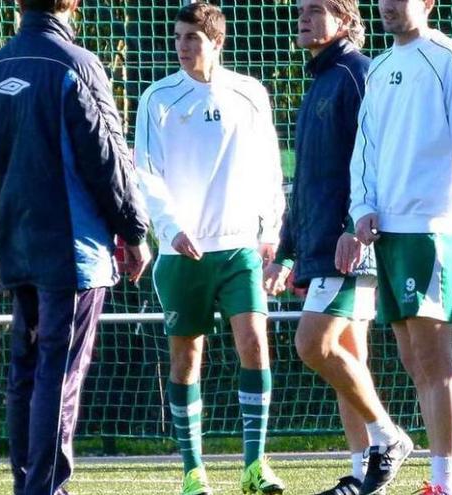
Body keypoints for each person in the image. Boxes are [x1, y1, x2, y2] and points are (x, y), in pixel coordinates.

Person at [0, 0, 152, 494]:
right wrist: (133, 231)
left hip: (17, 246)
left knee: (26, 368)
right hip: (71, 249)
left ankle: (29, 483)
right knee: (58, 369)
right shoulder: (76, 64)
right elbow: (107, 158)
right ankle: (45, 488)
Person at [133, 3, 286, 495]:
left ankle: (254, 466)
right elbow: (146, 172)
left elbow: (269, 166)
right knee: (186, 359)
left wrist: (271, 228)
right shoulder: (157, 97)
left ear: (217, 41)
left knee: (255, 344)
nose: (182, 46)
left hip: (240, 246)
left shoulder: (250, 93)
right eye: (178, 37)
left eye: (193, 38)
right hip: (183, 254)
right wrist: (170, 226)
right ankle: (193, 472)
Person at [348, 0, 452, 493]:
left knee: (433, 355)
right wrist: (361, 204)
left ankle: (448, 482)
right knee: (412, 356)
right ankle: (438, 477)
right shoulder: (381, 65)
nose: (389, 4)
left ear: (428, 3)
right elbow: (365, 144)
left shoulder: (451, 59)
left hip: (431, 226)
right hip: (386, 229)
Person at [263, 1, 407, 494]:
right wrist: (286, 252)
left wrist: (353, 227)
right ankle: (364, 473)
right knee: (349, 360)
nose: (303, 17)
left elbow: (373, 164)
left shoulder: (356, 74)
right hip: (321, 243)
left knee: (314, 344)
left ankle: (389, 439)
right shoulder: (320, 82)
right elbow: (306, 183)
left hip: (349, 244)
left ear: (346, 22)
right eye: (301, 10)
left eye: (318, 10)